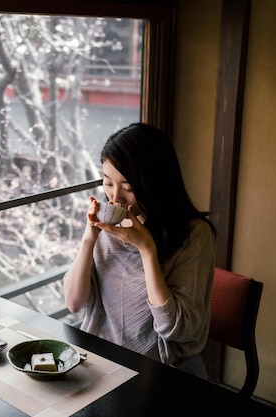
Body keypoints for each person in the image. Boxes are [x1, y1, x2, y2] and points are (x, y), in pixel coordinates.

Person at [63, 122, 216, 378]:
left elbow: (176, 329)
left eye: (129, 188)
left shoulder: (194, 235)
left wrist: (146, 248)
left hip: (163, 370)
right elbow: (73, 302)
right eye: (107, 182)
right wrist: (89, 239)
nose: (115, 198)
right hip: (102, 361)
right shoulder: (108, 223)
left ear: (155, 184)